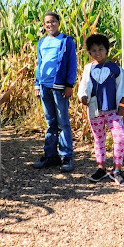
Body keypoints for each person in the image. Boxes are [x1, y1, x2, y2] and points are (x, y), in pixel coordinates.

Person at [77, 33, 124, 187]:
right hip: (95, 110)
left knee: (120, 136)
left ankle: (117, 170)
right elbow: (83, 86)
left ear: (106, 50)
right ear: (90, 53)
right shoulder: (88, 69)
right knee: (99, 139)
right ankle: (101, 168)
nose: (97, 53)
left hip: (112, 110)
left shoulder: (116, 69)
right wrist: (82, 97)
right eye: (93, 50)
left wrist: (122, 106)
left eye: (100, 49)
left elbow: (122, 89)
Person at [33, 12, 77, 172]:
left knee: (63, 122)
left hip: (59, 87)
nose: (50, 25)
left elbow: (72, 63)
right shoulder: (42, 42)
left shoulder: (66, 41)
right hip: (44, 86)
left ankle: (67, 157)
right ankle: (51, 156)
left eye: (52, 22)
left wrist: (69, 85)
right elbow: (40, 64)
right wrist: (37, 84)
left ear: (59, 23)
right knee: (50, 122)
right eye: (47, 23)